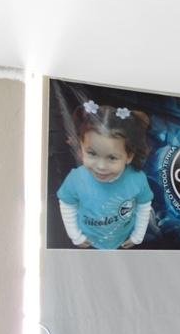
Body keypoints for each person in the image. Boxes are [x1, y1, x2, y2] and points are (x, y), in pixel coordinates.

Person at [57, 99, 154, 249]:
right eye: (92, 153)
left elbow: (144, 206)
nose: (101, 167)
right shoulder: (75, 179)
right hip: (89, 241)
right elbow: (67, 205)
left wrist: (137, 237)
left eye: (112, 158)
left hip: (123, 240)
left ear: (129, 156)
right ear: (81, 147)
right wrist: (76, 237)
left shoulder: (137, 179)